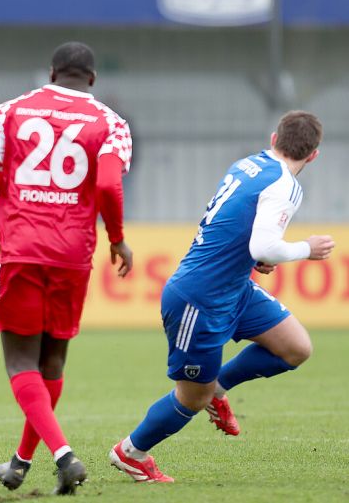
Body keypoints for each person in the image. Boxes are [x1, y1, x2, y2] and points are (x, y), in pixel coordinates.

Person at [109, 111, 333, 483]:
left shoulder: (247, 164)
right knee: (191, 398)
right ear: (313, 155)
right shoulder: (286, 186)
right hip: (199, 299)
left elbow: (237, 226)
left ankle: (218, 388)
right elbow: (264, 244)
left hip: (234, 288)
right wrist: (306, 249)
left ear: (274, 138)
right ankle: (131, 452)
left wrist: (256, 257)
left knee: (296, 347)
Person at [0, 41, 133, 495]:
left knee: (21, 361)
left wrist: (22, 183)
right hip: (73, 253)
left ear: (52, 72)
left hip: (23, 247)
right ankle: (20, 463)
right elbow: (108, 186)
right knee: (53, 360)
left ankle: (64, 457)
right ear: (92, 79)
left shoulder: (10, 110)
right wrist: (117, 238)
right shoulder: (112, 123)